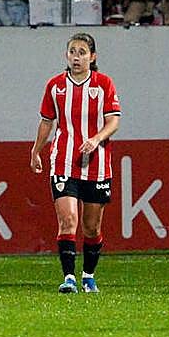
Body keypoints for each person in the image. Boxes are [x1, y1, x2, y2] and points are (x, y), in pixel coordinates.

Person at [30, 32, 122, 293]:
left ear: (92, 57)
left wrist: (96, 138)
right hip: (63, 161)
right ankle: (68, 278)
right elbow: (47, 121)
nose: (76, 57)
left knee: (91, 227)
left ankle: (88, 274)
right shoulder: (55, 86)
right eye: (72, 51)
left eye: (82, 52)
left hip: (97, 163)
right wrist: (36, 149)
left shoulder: (104, 84)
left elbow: (113, 120)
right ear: (66, 55)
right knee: (68, 220)